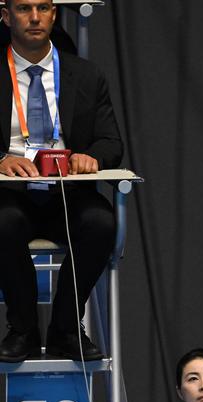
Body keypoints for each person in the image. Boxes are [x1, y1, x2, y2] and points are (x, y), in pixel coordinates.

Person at [0, 0, 122, 363]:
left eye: (43, 8)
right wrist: (2, 159)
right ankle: (22, 328)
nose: (35, 18)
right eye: (23, 9)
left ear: (54, 14)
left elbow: (111, 141)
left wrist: (93, 157)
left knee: (101, 223)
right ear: (5, 17)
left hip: (68, 192)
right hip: (12, 193)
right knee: (2, 222)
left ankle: (66, 329)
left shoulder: (86, 75)